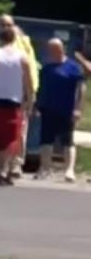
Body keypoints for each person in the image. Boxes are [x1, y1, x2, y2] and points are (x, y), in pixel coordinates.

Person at [0, 15, 40, 178]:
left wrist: (31, 92)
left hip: (17, 95)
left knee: (17, 133)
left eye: (9, 24)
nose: (6, 27)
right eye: (2, 24)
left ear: (14, 26)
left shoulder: (23, 42)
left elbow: (31, 67)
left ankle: (15, 165)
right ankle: (0, 169)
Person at [35, 39, 86, 182]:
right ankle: (45, 168)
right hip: (48, 109)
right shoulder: (46, 68)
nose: (51, 52)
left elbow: (81, 89)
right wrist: (38, 106)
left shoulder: (73, 67)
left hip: (66, 110)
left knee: (67, 141)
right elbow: (41, 89)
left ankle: (69, 170)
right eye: (50, 49)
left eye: (55, 49)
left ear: (61, 49)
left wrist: (77, 109)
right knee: (46, 140)